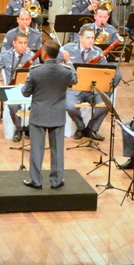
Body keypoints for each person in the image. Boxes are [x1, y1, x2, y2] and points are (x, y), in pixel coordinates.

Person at [20, 40, 76, 190]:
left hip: (39, 115)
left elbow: (25, 93)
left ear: (44, 53)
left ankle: (36, 181)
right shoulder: (65, 71)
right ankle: (56, 181)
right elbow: (74, 80)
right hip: (57, 114)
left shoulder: (35, 71)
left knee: (36, 150)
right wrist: (69, 62)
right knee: (57, 150)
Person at [61, 24, 121, 140]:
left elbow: (105, 72)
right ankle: (80, 127)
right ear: (80, 38)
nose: (91, 41)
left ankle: (91, 128)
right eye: (88, 38)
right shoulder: (68, 48)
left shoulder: (98, 52)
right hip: (74, 88)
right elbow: (56, 63)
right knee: (70, 106)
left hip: (92, 89)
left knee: (106, 105)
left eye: (92, 38)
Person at [0, 31, 38, 141]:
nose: (23, 46)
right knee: (13, 106)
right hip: (13, 90)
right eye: (20, 43)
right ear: (14, 43)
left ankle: (30, 127)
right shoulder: (5, 56)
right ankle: (19, 129)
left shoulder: (32, 57)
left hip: (29, 89)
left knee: (39, 103)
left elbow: (39, 72)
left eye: (25, 43)